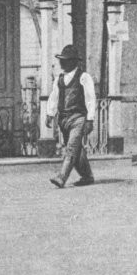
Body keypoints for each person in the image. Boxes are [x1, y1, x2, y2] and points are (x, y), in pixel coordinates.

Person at [46, 44, 97, 187]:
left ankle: (62, 177)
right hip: (63, 120)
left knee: (71, 147)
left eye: (65, 60)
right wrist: (50, 114)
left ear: (74, 61)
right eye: (61, 59)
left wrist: (90, 119)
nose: (62, 62)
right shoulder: (59, 79)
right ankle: (87, 176)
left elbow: (90, 99)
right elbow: (54, 97)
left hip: (78, 118)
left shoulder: (84, 77)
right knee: (77, 150)